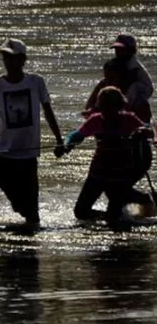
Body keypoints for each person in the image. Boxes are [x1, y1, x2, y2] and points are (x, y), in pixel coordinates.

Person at [0, 39, 65, 226]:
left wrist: (59, 140)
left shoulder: (36, 82)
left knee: (31, 215)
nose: (8, 62)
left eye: (12, 58)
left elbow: (48, 111)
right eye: (5, 58)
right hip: (1, 154)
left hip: (27, 156)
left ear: (23, 60)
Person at [65, 86, 155, 227]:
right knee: (81, 212)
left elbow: (149, 131)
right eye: (104, 108)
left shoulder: (128, 119)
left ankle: (143, 201)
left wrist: (143, 131)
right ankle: (113, 216)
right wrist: (68, 144)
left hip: (120, 173)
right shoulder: (96, 120)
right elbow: (76, 135)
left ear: (119, 106)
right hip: (97, 172)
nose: (107, 112)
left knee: (115, 217)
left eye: (110, 108)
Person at [85, 34, 153, 123]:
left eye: (121, 49)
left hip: (141, 89)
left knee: (134, 89)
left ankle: (123, 111)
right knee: (103, 85)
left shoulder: (133, 66)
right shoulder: (117, 62)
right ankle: (99, 110)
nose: (117, 51)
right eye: (116, 49)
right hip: (126, 86)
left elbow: (128, 82)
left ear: (130, 50)